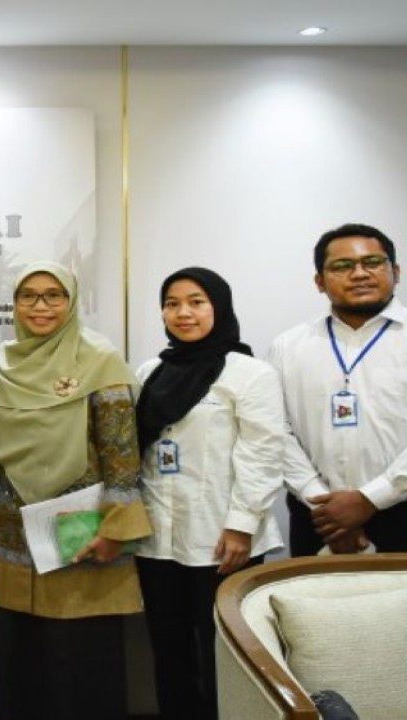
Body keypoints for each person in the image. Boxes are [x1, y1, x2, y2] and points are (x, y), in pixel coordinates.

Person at [0, 262, 150, 720]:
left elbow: (121, 451)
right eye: (29, 296)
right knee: (23, 656)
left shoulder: (99, 359)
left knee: (81, 658)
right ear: (14, 303)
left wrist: (117, 527)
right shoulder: (1, 363)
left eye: (54, 295)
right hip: (13, 529)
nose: (41, 306)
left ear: (72, 301)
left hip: (82, 526)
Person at [267, 223, 407, 555]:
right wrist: (322, 503)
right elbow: (274, 431)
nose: (359, 274)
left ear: (395, 272)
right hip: (319, 515)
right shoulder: (288, 346)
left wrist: (369, 499)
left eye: (372, 263)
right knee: (315, 606)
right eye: (342, 266)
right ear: (319, 281)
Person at [133, 267, 285, 720]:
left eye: (197, 302)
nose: (183, 313)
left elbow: (263, 454)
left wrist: (242, 526)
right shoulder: (150, 371)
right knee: (169, 646)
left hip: (222, 533)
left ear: (218, 306)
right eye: (172, 303)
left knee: (225, 648)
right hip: (157, 535)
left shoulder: (250, 374)